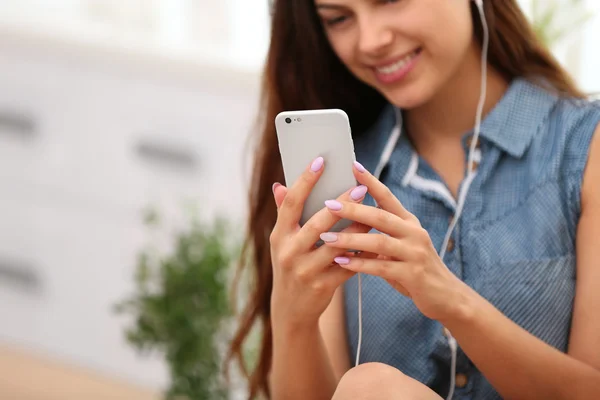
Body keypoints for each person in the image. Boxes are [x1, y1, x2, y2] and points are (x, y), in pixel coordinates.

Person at [227, 0, 600, 399]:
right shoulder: (342, 180)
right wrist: (292, 318)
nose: (370, 41)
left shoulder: (584, 147)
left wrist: (449, 299)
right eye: (338, 19)